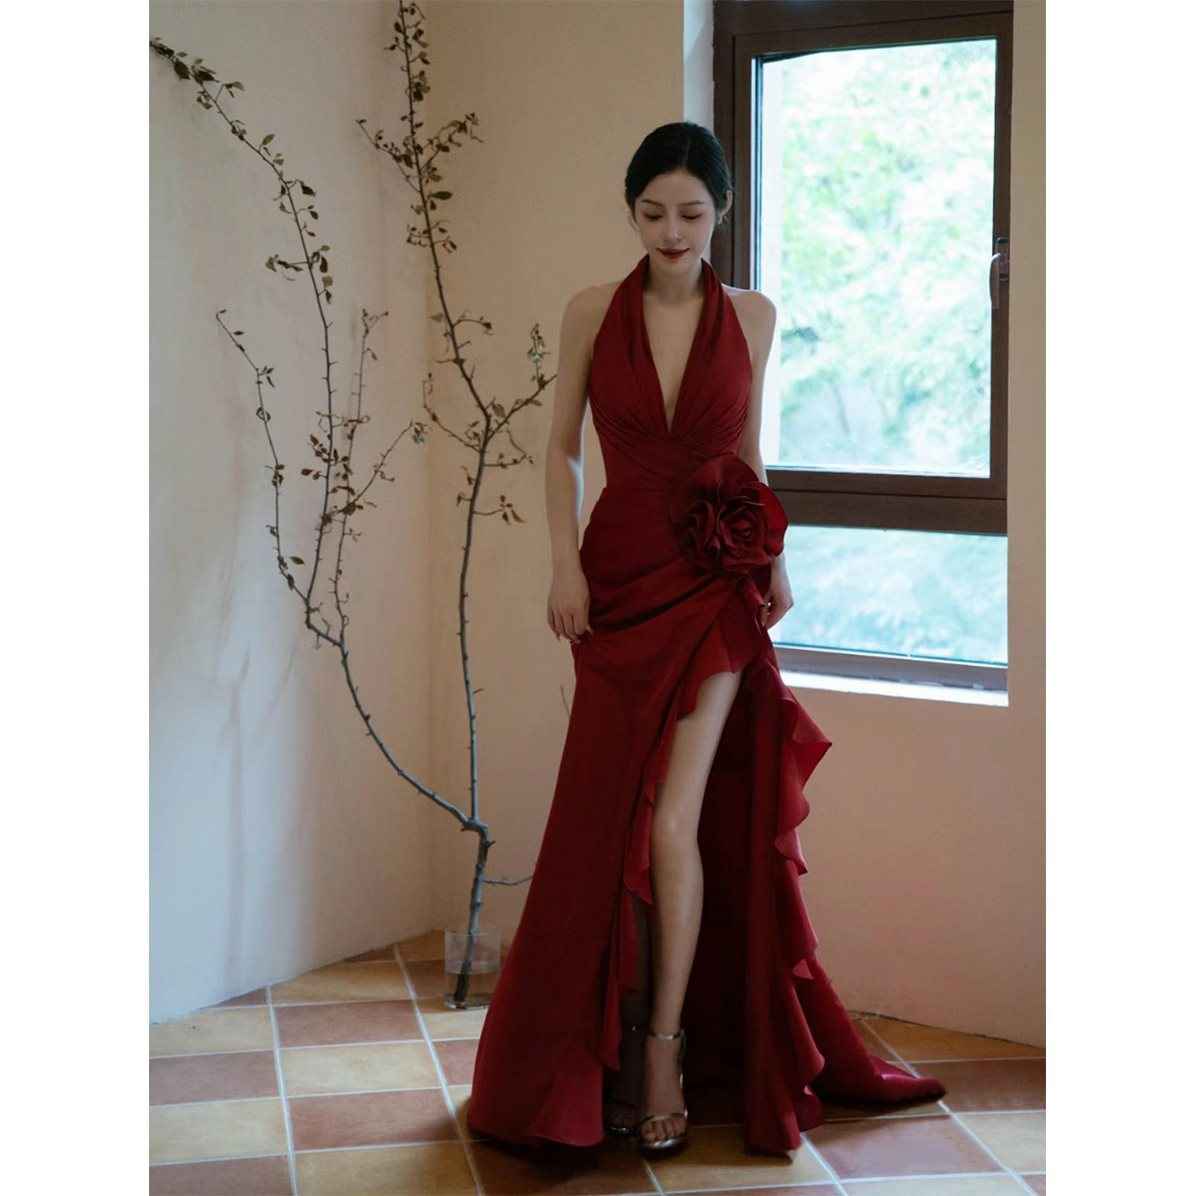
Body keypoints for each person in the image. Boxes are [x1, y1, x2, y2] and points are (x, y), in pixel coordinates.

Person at [466, 121, 946, 1159]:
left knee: (673, 820)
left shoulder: (754, 316)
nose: (671, 231)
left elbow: (747, 453)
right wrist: (562, 564)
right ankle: (594, 1050)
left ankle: (663, 1052)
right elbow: (559, 450)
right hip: (614, 585)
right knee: (604, 820)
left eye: (690, 212)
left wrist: (776, 556)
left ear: (721, 209)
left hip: (715, 584)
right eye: (651, 213)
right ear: (631, 212)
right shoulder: (591, 310)